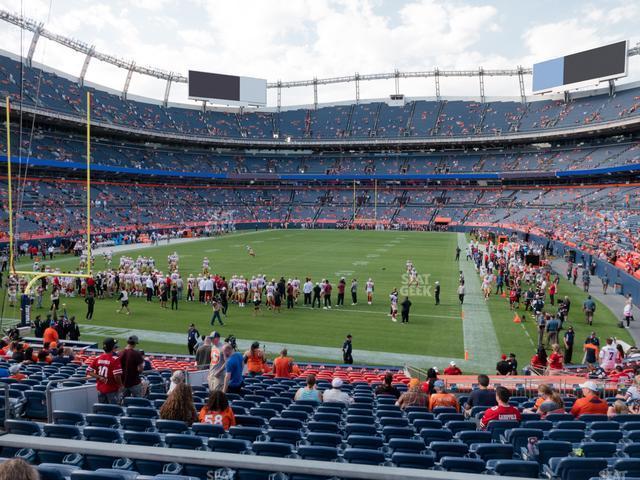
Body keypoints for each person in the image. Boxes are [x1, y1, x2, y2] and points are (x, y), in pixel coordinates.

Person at [86, 337, 123, 404]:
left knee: (103, 409)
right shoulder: (115, 359)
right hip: (112, 390)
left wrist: (99, 377)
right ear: (112, 347)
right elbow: (117, 376)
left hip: (100, 390)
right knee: (113, 410)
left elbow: (89, 371)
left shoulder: (98, 358)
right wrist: (120, 385)